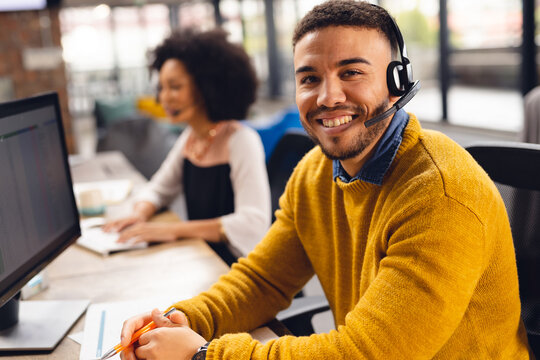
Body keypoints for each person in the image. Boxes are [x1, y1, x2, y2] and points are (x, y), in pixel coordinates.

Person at [118, 1, 531, 359]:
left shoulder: (440, 193)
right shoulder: (315, 173)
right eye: (310, 78)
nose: (328, 97)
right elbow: (264, 280)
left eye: (351, 72)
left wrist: (204, 354)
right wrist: (183, 318)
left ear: (395, 84)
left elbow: (367, 354)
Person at [104, 29, 271, 266]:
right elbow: (159, 189)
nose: (164, 98)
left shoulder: (242, 140)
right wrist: (139, 214)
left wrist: (175, 230)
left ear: (206, 88)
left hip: (242, 272)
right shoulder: (190, 137)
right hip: (206, 260)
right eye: (161, 88)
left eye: (174, 87)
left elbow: (252, 222)